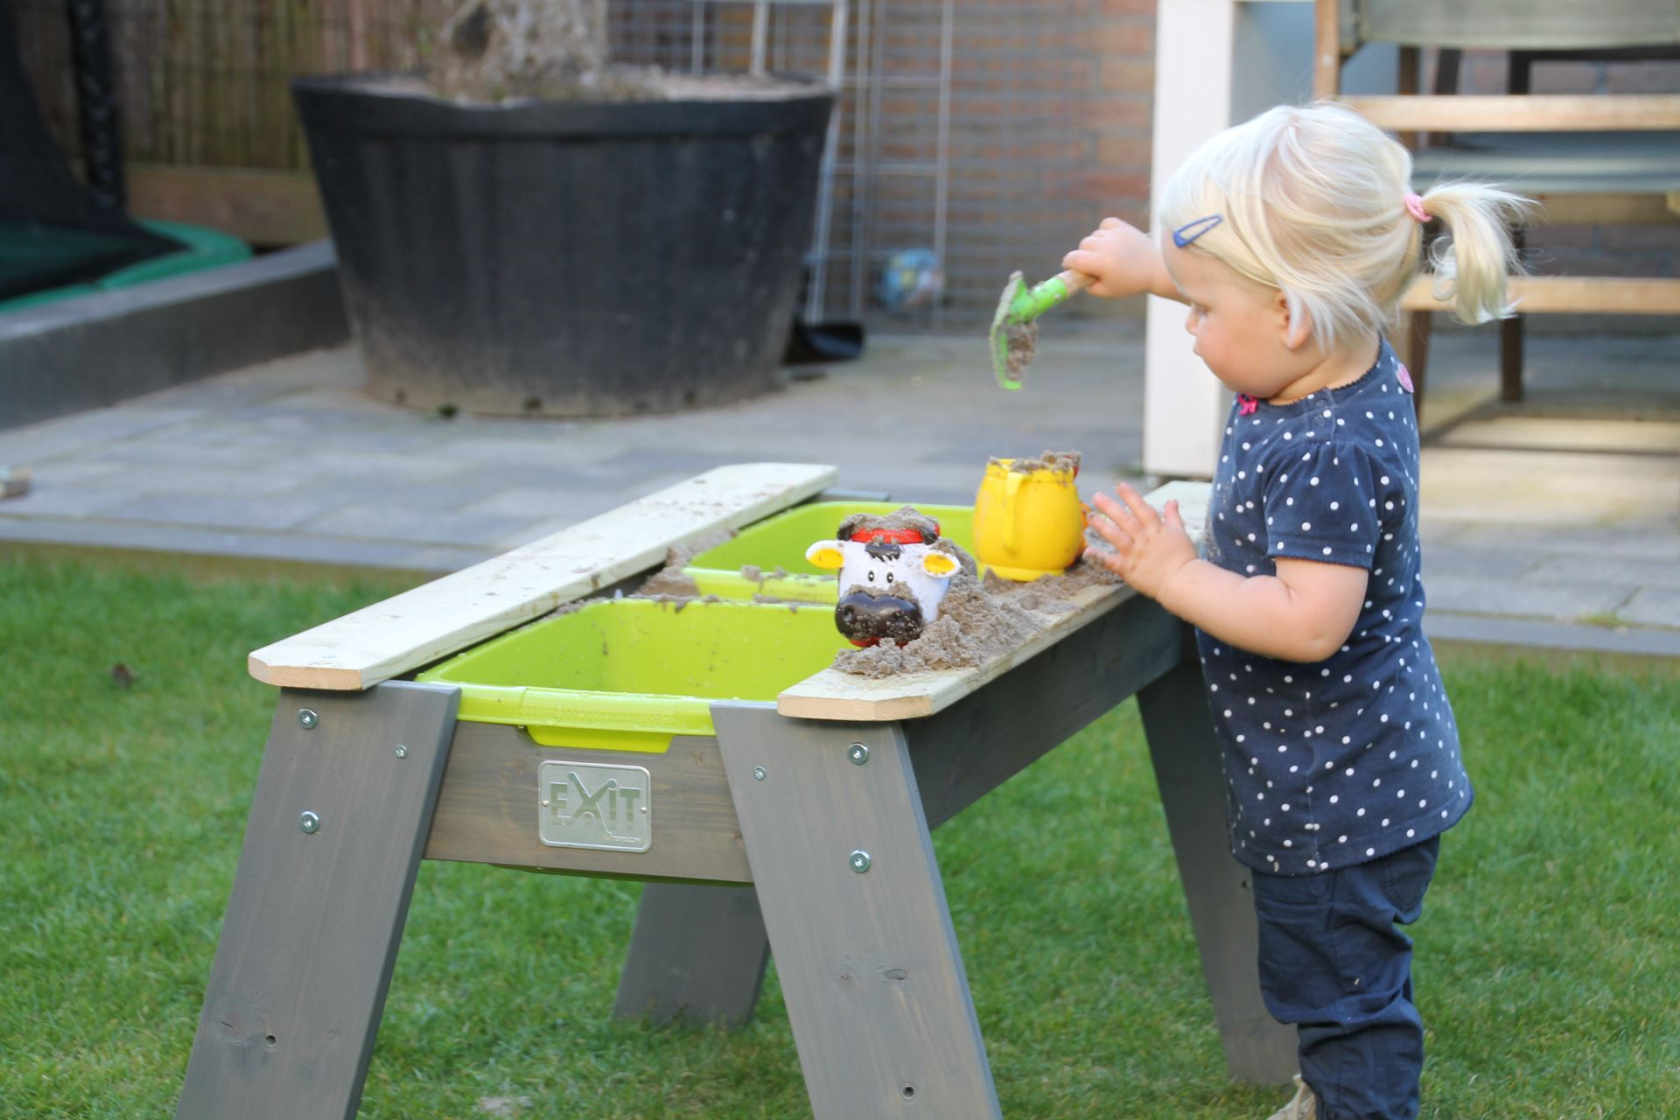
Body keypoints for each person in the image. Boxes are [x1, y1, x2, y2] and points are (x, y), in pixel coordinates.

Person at [1065, 102, 1530, 1120]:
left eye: (1199, 308)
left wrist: (1171, 571)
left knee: (1345, 998)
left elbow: (1309, 619)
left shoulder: (1326, 446)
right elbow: (1257, 297)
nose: (1189, 327)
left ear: (1289, 318)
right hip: (1352, 774)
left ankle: (1357, 1102)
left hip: (1342, 799)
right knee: (1338, 977)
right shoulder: (1343, 352)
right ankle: (1334, 1094)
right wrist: (1160, 266)